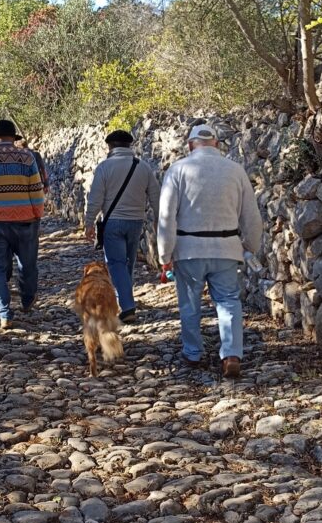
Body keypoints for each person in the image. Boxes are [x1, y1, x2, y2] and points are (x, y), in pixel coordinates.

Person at [157, 123, 263, 378]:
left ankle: (193, 353)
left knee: (190, 303)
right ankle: (231, 354)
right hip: (226, 247)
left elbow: (167, 216)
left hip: (189, 249)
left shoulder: (178, 170)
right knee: (228, 301)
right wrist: (251, 244)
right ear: (216, 143)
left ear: (191, 144)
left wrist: (164, 255)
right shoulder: (235, 171)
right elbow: (251, 215)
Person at [0, 119, 44, 329]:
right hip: (26, 220)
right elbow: (36, 190)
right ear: (14, 138)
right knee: (28, 263)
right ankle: (28, 300)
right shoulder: (27, 158)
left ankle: (4, 313)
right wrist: (37, 213)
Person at [84, 129, 160, 324]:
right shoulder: (143, 167)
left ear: (110, 146)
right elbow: (155, 195)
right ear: (129, 146)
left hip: (113, 222)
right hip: (136, 222)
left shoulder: (105, 167)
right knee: (128, 262)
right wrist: (160, 220)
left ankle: (127, 306)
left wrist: (89, 223)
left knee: (116, 263)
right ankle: (124, 299)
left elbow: (95, 199)